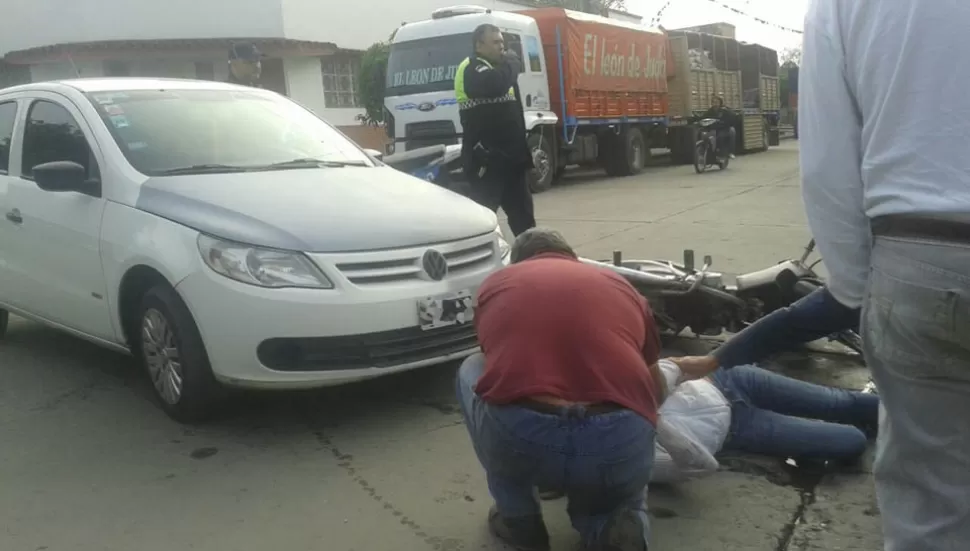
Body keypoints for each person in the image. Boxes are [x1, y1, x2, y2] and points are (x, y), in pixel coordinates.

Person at [456, 228, 670, 551]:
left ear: (517, 263)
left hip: (523, 433)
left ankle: (520, 521)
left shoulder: (496, 286)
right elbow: (655, 387)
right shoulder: (622, 287)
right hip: (617, 434)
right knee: (616, 496)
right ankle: (614, 525)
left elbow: (497, 366)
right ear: (570, 256)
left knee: (471, 369)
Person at [650, 359, 878, 484]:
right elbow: (700, 466)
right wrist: (652, 420)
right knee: (850, 440)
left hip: (727, 381)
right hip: (737, 428)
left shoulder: (617, 390)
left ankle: (909, 416)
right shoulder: (626, 456)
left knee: (839, 402)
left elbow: (670, 367)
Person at [454, 24, 536, 237]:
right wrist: (512, 63)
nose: (502, 47)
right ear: (479, 45)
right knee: (481, 223)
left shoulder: (501, 69)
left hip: (512, 162)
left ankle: (529, 263)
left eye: (503, 42)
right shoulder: (472, 67)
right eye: (496, 42)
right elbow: (494, 85)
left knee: (525, 221)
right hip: (487, 163)